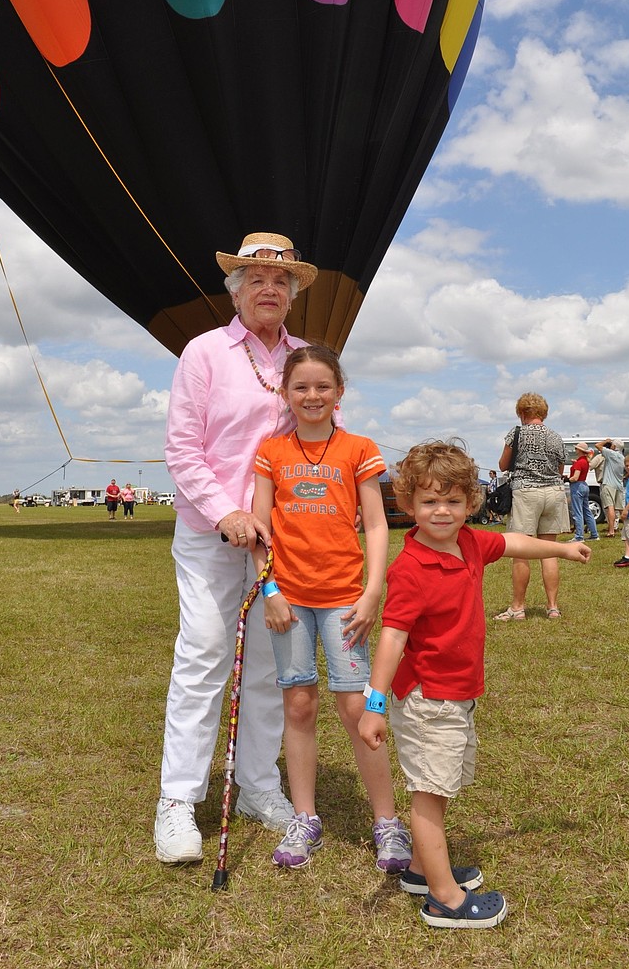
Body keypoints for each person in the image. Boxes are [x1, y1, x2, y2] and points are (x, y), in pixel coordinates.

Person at [359, 441, 591, 929]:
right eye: (428, 502)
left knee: (441, 783)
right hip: (427, 698)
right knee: (428, 789)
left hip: (458, 693)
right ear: (408, 506)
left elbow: (513, 543)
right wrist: (374, 705)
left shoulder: (468, 542)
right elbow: (391, 638)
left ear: (471, 503)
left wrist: (563, 549)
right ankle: (444, 898)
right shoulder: (411, 569)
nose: (441, 511)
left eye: (452, 501)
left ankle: (423, 870)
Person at [155, 232, 318, 865]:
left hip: (282, 539)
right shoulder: (204, 353)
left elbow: (318, 441)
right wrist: (226, 511)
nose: (268, 289)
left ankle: (256, 786)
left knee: (273, 669)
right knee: (204, 652)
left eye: (280, 280)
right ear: (236, 289)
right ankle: (177, 802)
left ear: (295, 291)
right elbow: (182, 449)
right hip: (209, 532)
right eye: (254, 278)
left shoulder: (308, 358)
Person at [252, 346, 411, 873]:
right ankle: (304, 816)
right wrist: (269, 590)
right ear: (284, 393)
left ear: (339, 392)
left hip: (346, 600)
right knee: (298, 705)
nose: (312, 396)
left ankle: (387, 821)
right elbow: (260, 530)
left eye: (323, 386)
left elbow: (376, 524)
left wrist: (372, 592)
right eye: (301, 387)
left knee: (354, 708)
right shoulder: (271, 452)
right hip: (289, 601)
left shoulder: (359, 449)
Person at [494, 393, 572, 620]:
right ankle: (553, 607)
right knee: (549, 552)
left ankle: (518, 608)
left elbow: (503, 465)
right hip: (554, 493)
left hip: (526, 492)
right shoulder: (556, 437)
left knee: (521, 552)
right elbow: (560, 470)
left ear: (521, 412)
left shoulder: (516, 433)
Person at [567, 442, 599, 544]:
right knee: (587, 511)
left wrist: (567, 479)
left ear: (580, 450)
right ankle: (594, 534)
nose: (575, 450)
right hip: (584, 485)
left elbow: (575, 478)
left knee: (578, 512)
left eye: (576, 449)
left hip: (577, 486)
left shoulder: (579, 463)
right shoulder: (584, 461)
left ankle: (579, 536)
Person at [594, 439, 625, 537]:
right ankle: (628, 528)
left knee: (610, 507)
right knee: (620, 508)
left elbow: (597, 445)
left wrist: (606, 441)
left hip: (608, 483)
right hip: (619, 484)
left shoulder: (611, 454)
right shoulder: (622, 457)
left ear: (615, 447)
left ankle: (611, 530)